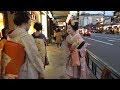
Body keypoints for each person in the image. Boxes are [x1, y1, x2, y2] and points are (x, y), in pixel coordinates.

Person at [2, 12, 45, 79]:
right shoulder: (26, 37)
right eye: (30, 22)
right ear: (26, 22)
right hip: (26, 71)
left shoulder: (10, 36)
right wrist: (41, 71)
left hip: (13, 71)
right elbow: (34, 56)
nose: (30, 24)